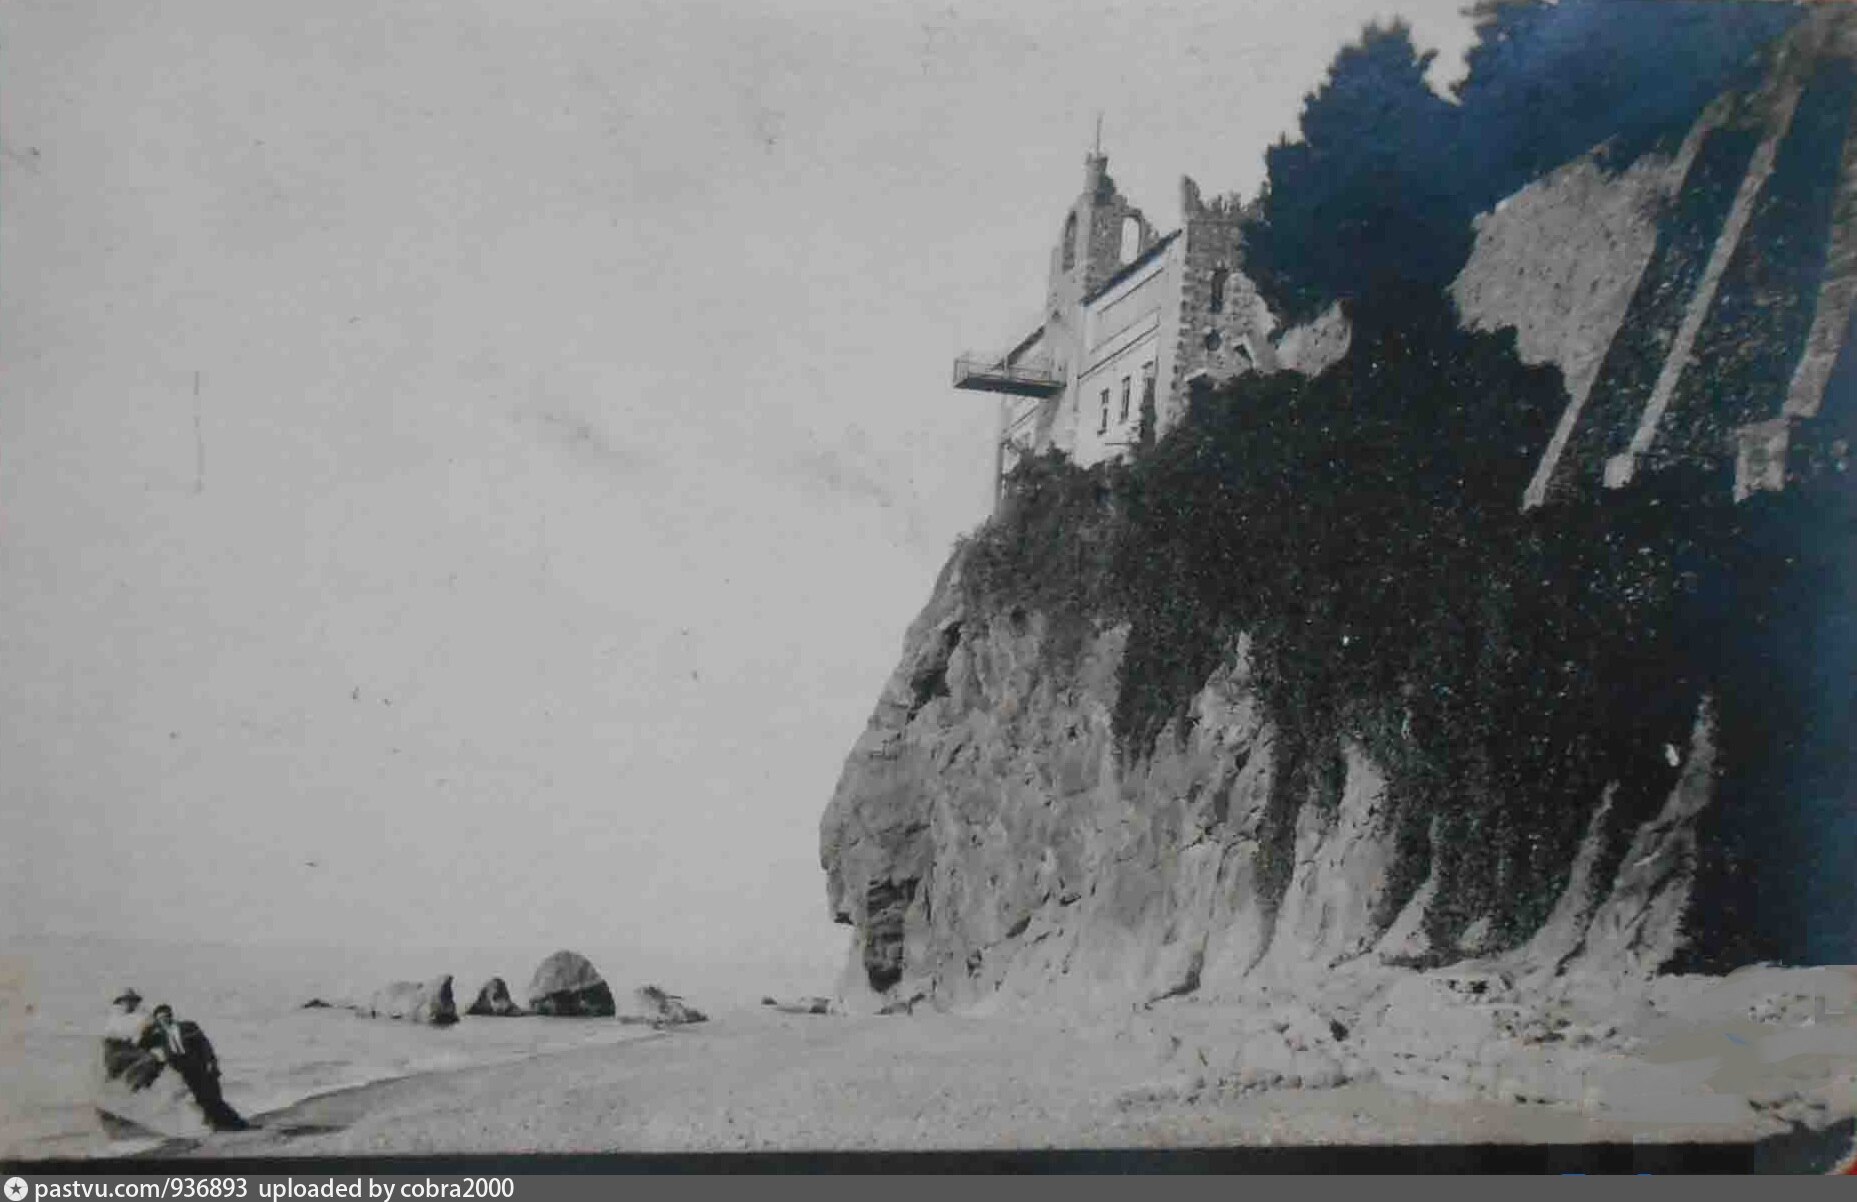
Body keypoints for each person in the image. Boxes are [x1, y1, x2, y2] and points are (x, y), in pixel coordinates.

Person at [138, 1003, 249, 1131]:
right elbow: (142, 1045)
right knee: (202, 1100)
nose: (164, 1020)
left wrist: (211, 1062)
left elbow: (204, 1045)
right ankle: (220, 1125)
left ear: (171, 1016)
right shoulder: (159, 1036)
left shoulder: (188, 1026)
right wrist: (147, 1028)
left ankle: (239, 1124)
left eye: (165, 1016)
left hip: (200, 1066)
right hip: (185, 1071)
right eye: (160, 1019)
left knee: (214, 1098)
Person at [101, 988, 161, 1088]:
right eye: (127, 1000)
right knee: (148, 1059)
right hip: (116, 1051)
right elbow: (110, 1035)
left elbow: (146, 1029)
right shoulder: (115, 1017)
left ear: (136, 1003)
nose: (130, 1003)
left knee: (153, 1061)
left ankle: (139, 1086)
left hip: (133, 1050)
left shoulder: (142, 1017)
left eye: (132, 1000)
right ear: (122, 1002)